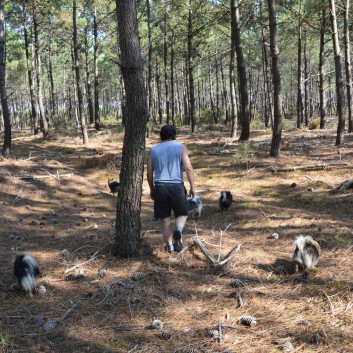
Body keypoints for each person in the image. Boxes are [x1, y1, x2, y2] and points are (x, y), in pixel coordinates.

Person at [147, 125, 196, 253]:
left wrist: (152, 189)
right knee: (182, 213)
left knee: (165, 218)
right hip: (177, 186)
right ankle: (178, 230)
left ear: (161, 135)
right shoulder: (181, 147)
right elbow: (188, 168)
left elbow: (149, 172)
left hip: (160, 186)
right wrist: (192, 187)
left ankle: (169, 246)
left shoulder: (153, 149)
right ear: (174, 134)